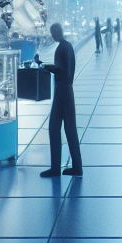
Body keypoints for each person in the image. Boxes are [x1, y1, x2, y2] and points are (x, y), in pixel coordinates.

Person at [36, 23, 82, 177]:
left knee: (54, 128)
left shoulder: (62, 48)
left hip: (62, 91)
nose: (53, 35)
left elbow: (61, 70)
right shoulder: (68, 46)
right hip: (67, 91)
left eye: (53, 32)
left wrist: (44, 66)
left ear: (56, 32)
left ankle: (56, 168)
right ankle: (77, 167)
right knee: (70, 130)